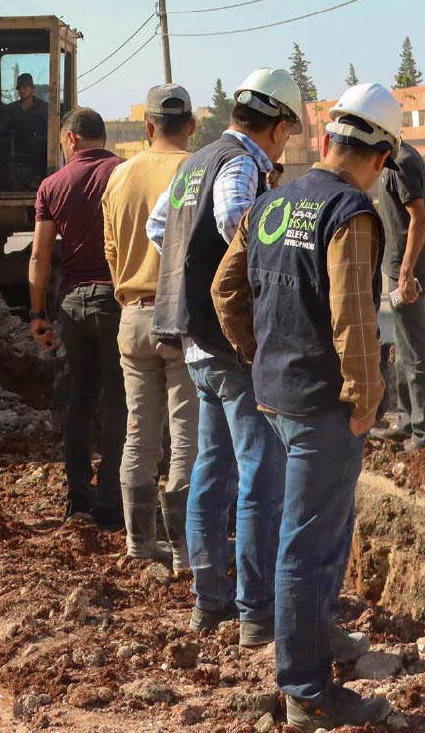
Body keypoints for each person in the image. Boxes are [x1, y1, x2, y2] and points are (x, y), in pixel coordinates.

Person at [213, 81, 404, 731]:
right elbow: (354, 317)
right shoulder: (350, 211)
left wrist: (252, 352)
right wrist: (363, 400)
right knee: (309, 546)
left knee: (312, 536)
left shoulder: (272, 201)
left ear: (326, 140)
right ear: (380, 158)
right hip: (323, 403)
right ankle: (305, 688)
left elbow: (224, 286)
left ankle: (315, 643)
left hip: (274, 394)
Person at [148, 68, 302, 647]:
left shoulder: (194, 161)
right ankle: (256, 611)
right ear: (279, 125)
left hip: (193, 341)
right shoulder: (239, 164)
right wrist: (253, 275)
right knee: (261, 471)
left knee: (212, 470)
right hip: (230, 341)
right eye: (286, 133)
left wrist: (193, 273)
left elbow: (157, 224)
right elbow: (236, 219)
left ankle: (207, 603)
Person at [102, 85, 201, 567]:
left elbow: (112, 253)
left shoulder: (119, 176)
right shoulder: (198, 169)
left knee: (138, 432)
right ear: (193, 126)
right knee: (186, 434)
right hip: (181, 319)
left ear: (147, 126)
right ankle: (184, 551)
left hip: (133, 316)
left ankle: (139, 545)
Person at [29, 107, 126, 527]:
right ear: (101, 137)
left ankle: (78, 497)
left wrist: (37, 313)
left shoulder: (51, 185)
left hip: (72, 303)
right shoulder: (123, 174)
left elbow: (39, 254)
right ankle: (111, 501)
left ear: (70, 139)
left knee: (81, 399)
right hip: (116, 300)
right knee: (119, 401)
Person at [370, 138, 425, 449]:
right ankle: (407, 420)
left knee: (414, 348)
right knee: (403, 345)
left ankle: (424, 432)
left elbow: (419, 218)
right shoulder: (392, 159)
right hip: (399, 269)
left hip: (408, 273)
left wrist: (407, 273)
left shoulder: (403, 162)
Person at [0, 71, 50, 189]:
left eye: (25, 87)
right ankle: (0, 179)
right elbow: (4, 126)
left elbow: (50, 126)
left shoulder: (43, 107)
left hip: (37, 141)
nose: (22, 90)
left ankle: (39, 177)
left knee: (43, 146)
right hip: (17, 142)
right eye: (20, 88)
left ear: (32, 89)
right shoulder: (13, 108)